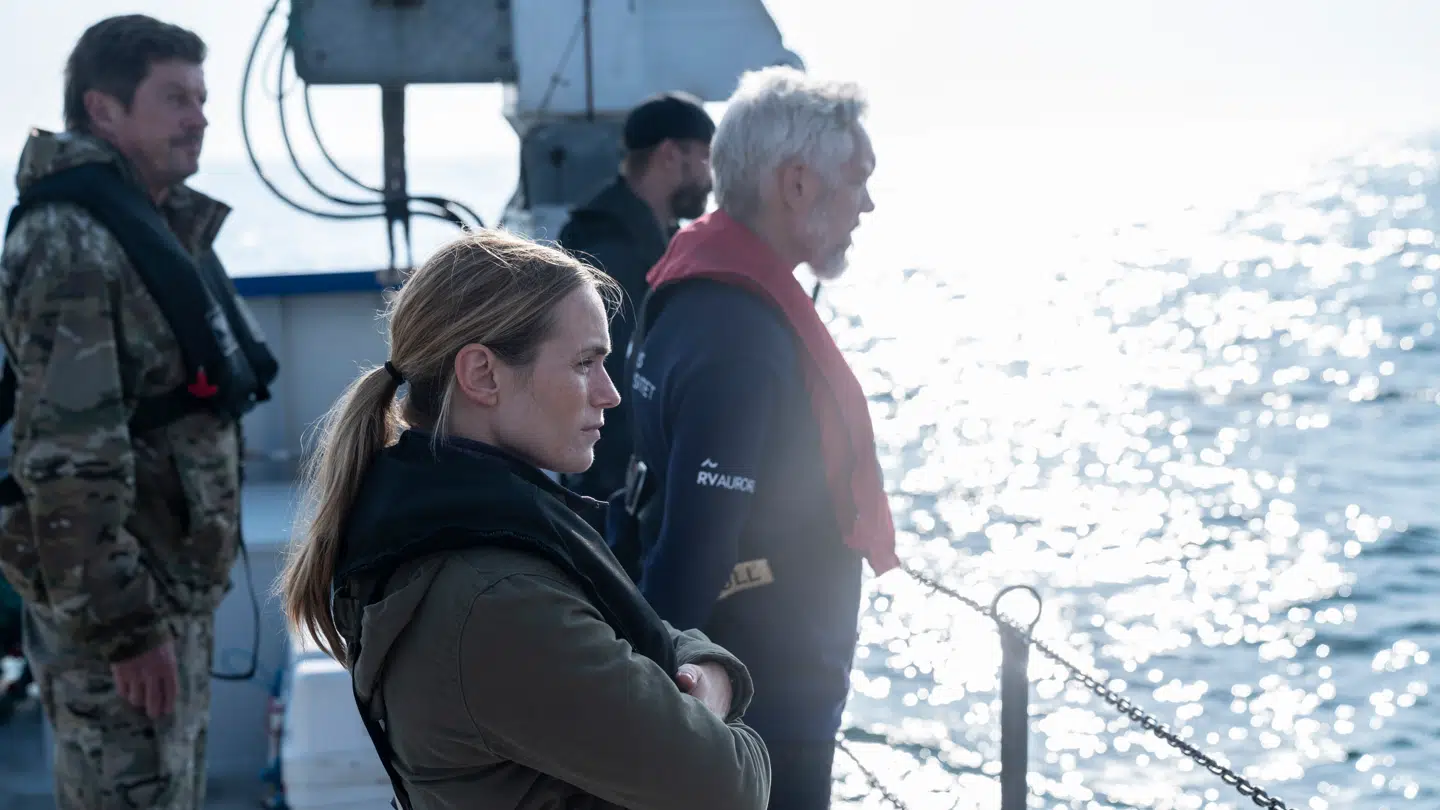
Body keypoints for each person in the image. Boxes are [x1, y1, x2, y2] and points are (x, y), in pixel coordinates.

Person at [278, 229, 770, 810]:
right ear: (482, 375)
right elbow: (731, 787)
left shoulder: (451, 534)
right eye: (585, 363)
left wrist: (698, 669)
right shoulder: (497, 599)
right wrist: (713, 681)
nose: (610, 394)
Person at [0, 14, 278, 809]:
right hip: (119, 617)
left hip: (163, 594)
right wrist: (126, 633)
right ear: (104, 111)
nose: (199, 116)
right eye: (175, 98)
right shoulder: (71, 244)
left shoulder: (149, 222)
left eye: (200, 96)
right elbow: (65, 458)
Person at [609, 66, 898, 810]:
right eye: (857, 177)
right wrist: (644, 709)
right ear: (796, 184)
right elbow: (698, 548)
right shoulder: (740, 338)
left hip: (744, 688)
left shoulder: (694, 288)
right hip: (760, 707)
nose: (867, 202)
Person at [556, 91, 715, 500]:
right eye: (703, 158)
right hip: (613, 488)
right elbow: (616, 374)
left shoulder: (659, 239)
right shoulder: (605, 244)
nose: (709, 176)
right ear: (669, 155)